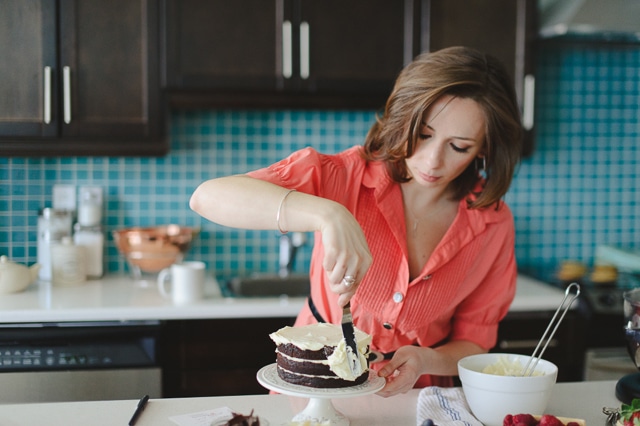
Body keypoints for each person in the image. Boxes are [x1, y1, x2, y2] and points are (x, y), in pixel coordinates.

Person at [190, 46, 523, 397]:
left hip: (415, 398)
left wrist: (424, 360)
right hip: (315, 391)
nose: (432, 160)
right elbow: (207, 197)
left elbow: (474, 342)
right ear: (403, 116)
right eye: (423, 134)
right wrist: (328, 213)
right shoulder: (343, 177)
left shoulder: (492, 224)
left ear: (483, 149)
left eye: (458, 147)